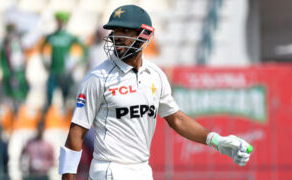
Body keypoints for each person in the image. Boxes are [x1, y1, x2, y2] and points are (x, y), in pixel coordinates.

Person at [59, 5, 253, 180]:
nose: (118, 37)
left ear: (144, 34)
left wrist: (216, 141)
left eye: (125, 31)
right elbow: (77, 131)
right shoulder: (98, 77)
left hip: (143, 170)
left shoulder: (155, 75)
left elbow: (176, 119)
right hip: (110, 171)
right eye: (115, 31)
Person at [41, 11, 87, 108]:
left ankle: (65, 115)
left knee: (65, 95)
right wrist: (44, 62)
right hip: (53, 70)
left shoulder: (69, 37)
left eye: (60, 21)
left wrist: (78, 62)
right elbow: (42, 48)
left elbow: (84, 49)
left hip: (64, 71)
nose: (58, 23)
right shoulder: (51, 36)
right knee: (49, 93)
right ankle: (47, 115)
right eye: (57, 21)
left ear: (64, 22)